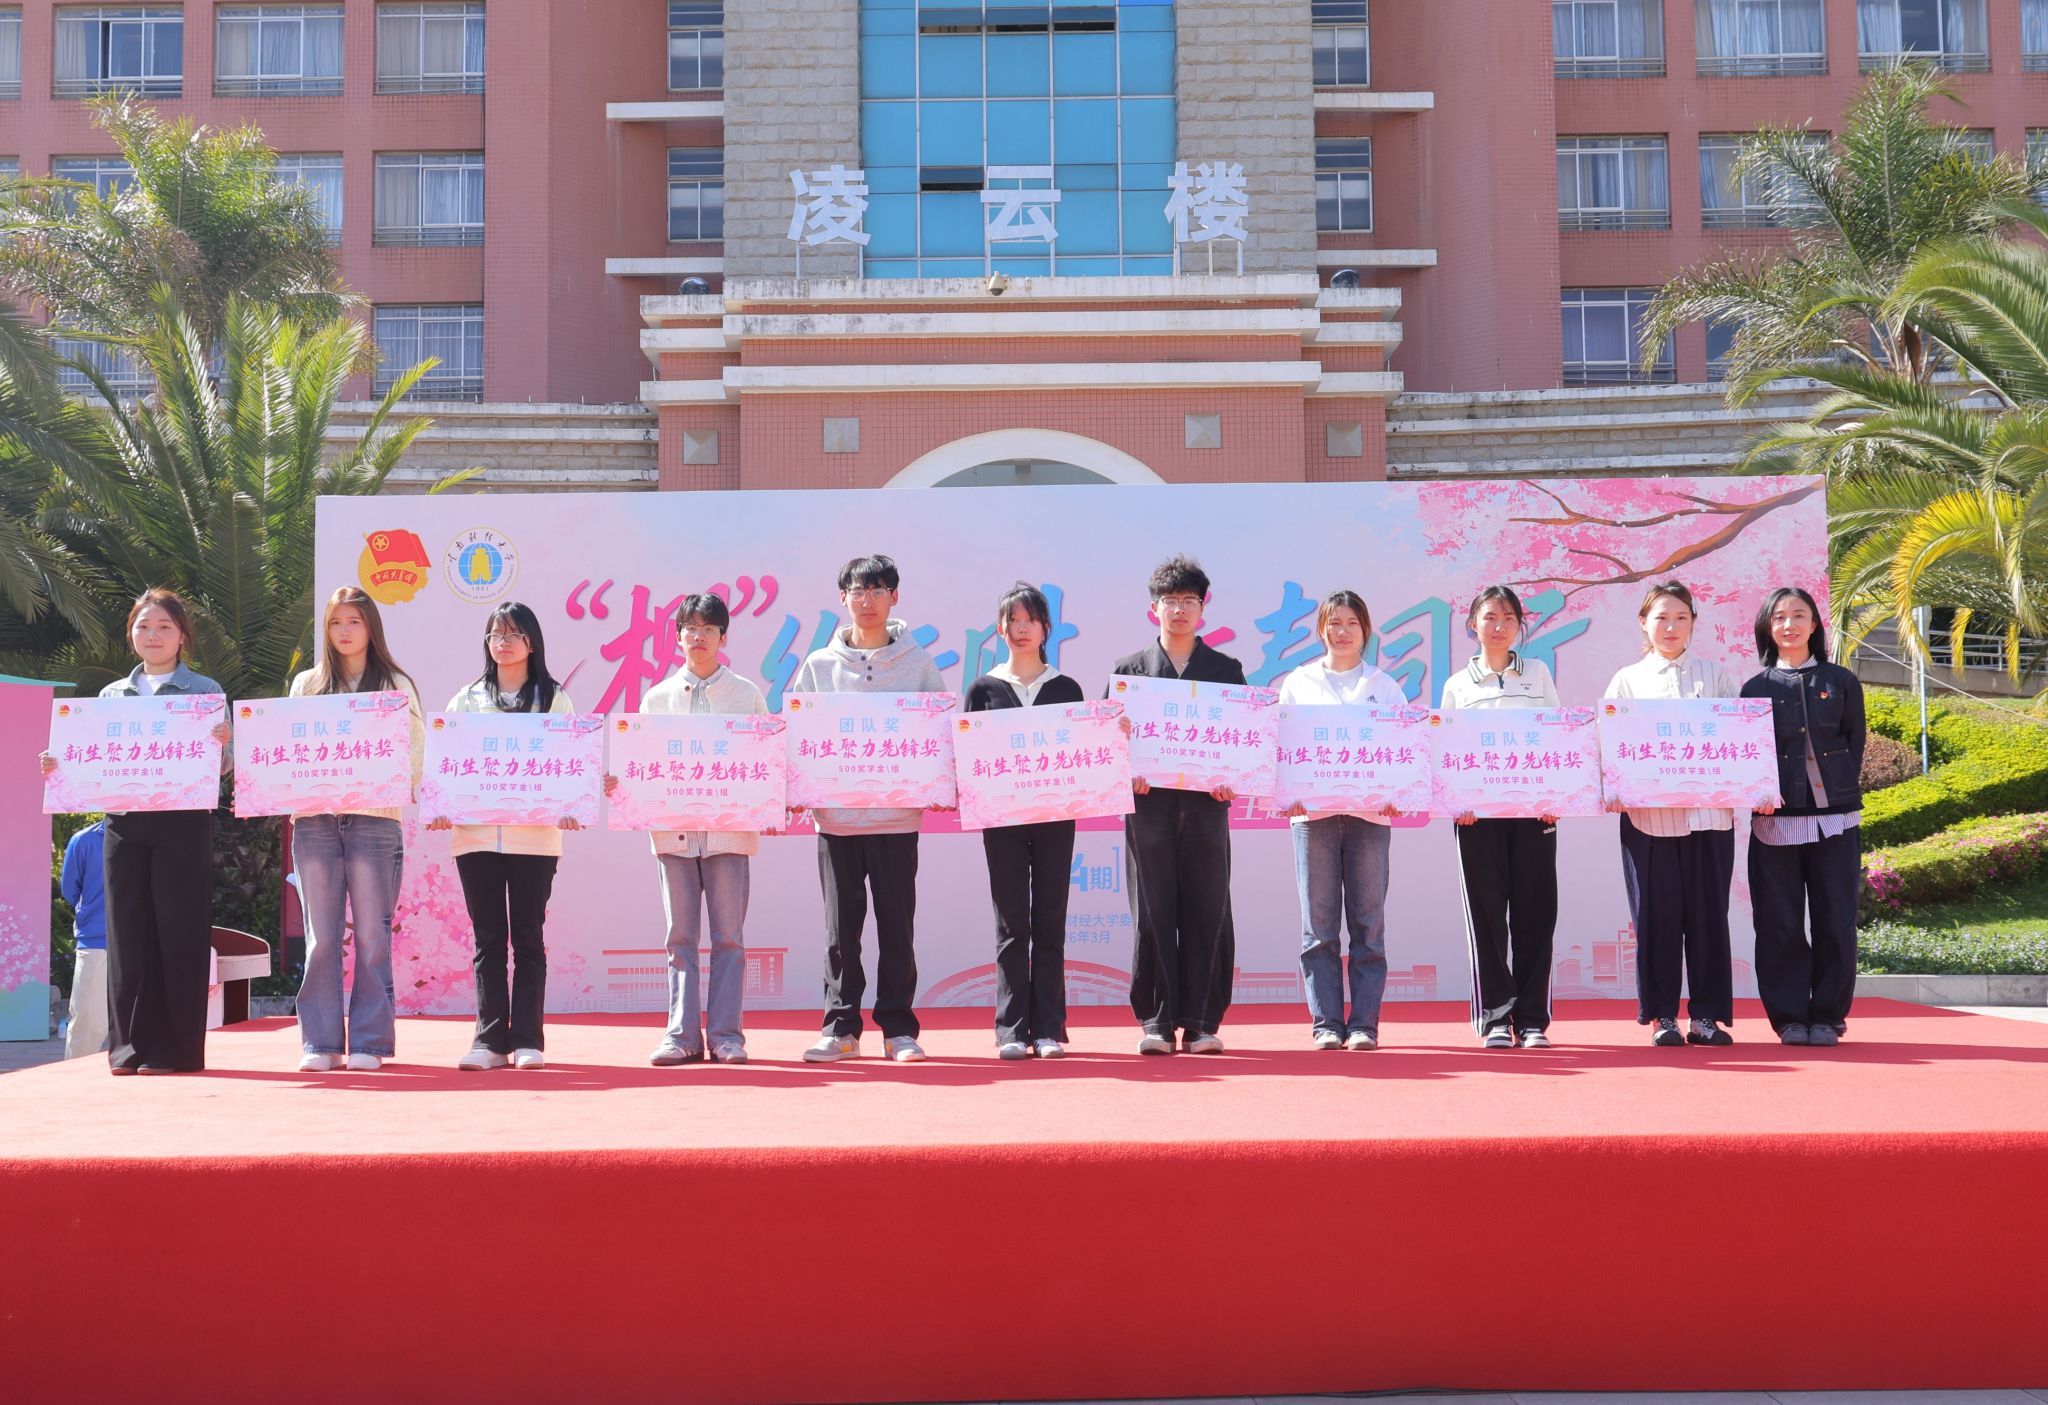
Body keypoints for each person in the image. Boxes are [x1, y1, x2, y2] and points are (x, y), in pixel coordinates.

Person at [40, 588, 232, 1075]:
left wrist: (223, 745)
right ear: (131, 635)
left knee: (179, 932)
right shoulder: (111, 696)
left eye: (165, 627)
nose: (153, 635)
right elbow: (90, 760)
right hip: (123, 824)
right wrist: (59, 765)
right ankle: (127, 1050)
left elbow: (223, 766)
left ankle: (175, 1051)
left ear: (182, 636)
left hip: (183, 823)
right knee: (127, 935)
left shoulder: (204, 691)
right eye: (144, 626)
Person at [793, 554, 947, 1065]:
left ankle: (898, 1030)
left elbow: (938, 735)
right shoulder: (819, 666)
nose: (867, 601)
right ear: (843, 598)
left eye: (878, 590)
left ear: (894, 597)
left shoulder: (919, 664)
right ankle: (841, 1029)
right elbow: (799, 736)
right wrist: (796, 789)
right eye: (858, 591)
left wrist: (939, 784)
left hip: (897, 820)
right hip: (836, 823)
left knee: (897, 929)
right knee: (841, 934)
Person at [605, 593, 770, 1067]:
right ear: (677, 637)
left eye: (708, 628)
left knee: (729, 938)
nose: (698, 636)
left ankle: (726, 1036)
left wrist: (769, 801)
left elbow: (765, 761)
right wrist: (622, 781)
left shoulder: (746, 695)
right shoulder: (656, 698)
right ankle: (680, 1035)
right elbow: (641, 764)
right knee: (679, 937)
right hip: (673, 837)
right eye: (690, 628)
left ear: (723, 637)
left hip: (728, 836)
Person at [428, 602, 580, 1072]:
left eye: (514, 634)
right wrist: (440, 805)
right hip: (476, 838)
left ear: (532, 643)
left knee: (528, 938)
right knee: (488, 939)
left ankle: (528, 1040)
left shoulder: (554, 699)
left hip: (534, 839)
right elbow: (445, 760)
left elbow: (572, 760)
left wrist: (572, 804)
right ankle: (490, 1041)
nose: (504, 643)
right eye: (496, 634)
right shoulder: (467, 699)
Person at [1109, 554, 1246, 1056]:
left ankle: (1203, 1022)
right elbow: (1108, 746)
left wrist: (1233, 780)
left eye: (1190, 600)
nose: (1180, 610)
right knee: (1153, 911)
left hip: (1207, 809)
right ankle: (1158, 1022)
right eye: (1170, 600)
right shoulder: (1129, 672)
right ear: (1154, 608)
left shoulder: (1226, 670)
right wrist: (1126, 761)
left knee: (1209, 909)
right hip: (1149, 808)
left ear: (1203, 608)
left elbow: (1244, 742)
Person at [289, 587, 425, 1074]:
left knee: (371, 935)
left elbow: (414, 752)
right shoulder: (306, 685)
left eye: (354, 621)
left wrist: (383, 785)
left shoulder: (394, 684)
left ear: (371, 628)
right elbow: (287, 750)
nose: (344, 631)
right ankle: (320, 1043)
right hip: (315, 821)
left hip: (375, 819)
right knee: (321, 938)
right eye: (335, 622)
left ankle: (369, 1042)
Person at [1603, 580, 1742, 1049]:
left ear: (1693, 623)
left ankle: (1706, 1017)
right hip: (1649, 820)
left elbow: (1740, 739)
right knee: (1656, 920)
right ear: (1643, 623)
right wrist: (1614, 787)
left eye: (1681, 617)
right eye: (1661, 617)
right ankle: (1663, 1016)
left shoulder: (1716, 677)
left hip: (1710, 818)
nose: (1671, 626)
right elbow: (1608, 743)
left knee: (1708, 918)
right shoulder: (1627, 680)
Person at [1276, 590, 1408, 1052]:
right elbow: (1282, 744)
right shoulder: (1299, 683)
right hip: (1312, 817)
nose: (1343, 631)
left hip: (1370, 818)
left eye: (1352, 623)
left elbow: (1404, 749)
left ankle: (1365, 1024)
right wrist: (1287, 792)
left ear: (1365, 630)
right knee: (1318, 927)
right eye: (1335, 623)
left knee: (1369, 926)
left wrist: (1398, 793)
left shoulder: (1384, 687)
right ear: (1321, 630)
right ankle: (1327, 1023)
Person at [963, 582, 1086, 1060]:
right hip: (1003, 823)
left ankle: (1049, 1028)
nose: (1021, 629)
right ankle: (1011, 1029)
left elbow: (1085, 753)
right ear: (1000, 630)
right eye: (1012, 621)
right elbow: (970, 758)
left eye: (1029, 620)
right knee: (1012, 924)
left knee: (1050, 921)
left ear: (1045, 628)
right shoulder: (983, 689)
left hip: (1056, 819)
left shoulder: (1066, 688)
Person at [1740, 586, 1865, 1048]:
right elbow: (1747, 756)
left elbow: (1854, 743)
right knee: (1780, 924)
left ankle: (1828, 1016)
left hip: (1836, 822)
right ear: (1767, 628)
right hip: (1776, 822)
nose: (1789, 624)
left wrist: (1839, 793)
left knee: (1836, 920)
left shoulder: (1841, 681)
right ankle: (1790, 1017)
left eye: (1798, 615)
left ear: (1814, 624)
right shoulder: (1755, 689)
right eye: (1779, 617)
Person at [1439, 585, 1561, 1050]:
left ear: (1519, 625)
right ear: (1473, 624)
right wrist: (1457, 802)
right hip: (1477, 819)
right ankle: (1495, 1018)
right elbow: (1445, 752)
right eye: (1490, 617)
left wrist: (1554, 796)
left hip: (1534, 814)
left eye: (1509, 617)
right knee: (1487, 918)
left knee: (1535, 914)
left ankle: (1531, 1019)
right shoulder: (1458, 685)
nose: (1499, 626)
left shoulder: (1538, 674)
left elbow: (1558, 739)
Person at [58, 819, 108, 1060]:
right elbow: (70, 890)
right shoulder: (84, 840)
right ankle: (75, 1075)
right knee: (88, 1021)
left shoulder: (152, 838)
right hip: (96, 940)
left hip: (143, 941)